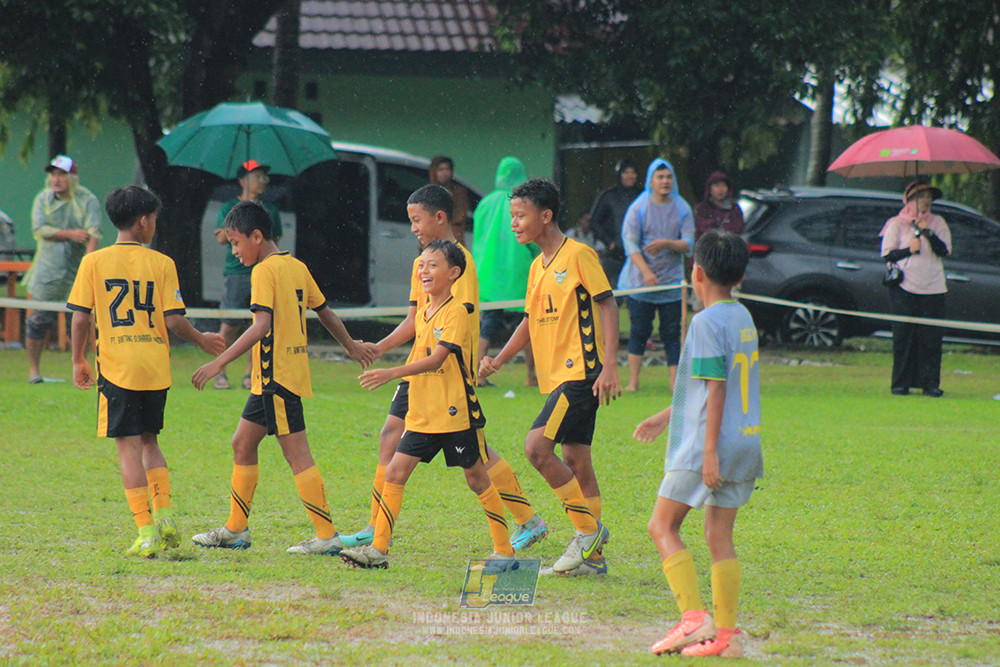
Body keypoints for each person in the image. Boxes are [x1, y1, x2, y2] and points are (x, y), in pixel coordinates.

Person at [338, 185, 547, 553]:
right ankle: (375, 529)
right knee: (392, 435)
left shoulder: (457, 264)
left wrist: (450, 366)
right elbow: (415, 320)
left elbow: (455, 324)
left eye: (417, 221)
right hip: (418, 368)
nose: (414, 229)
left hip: (445, 373)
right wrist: (379, 348)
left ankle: (526, 520)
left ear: (439, 217)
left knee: (477, 457)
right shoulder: (424, 262)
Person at [190, 201, 375, 554]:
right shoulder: (295, 266)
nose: (234, 251)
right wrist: (350, 346)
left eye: (236, 243)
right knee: (242, 443)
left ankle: (326, 536)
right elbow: (325, 311)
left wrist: (219, 363)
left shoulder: (263, 271)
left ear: (257, 237)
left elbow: (261, 326)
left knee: (298, 456)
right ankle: (236, 529)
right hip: (272, 380)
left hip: (277, 379)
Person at [67, 186, 226, 557]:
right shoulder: (162, 263)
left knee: (128, 449)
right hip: (155, 365)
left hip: (118, 368)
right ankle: (166, 514)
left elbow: (79, 317)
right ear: (143, 221)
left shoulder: (94, 262)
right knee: (151, 441)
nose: (154, 225)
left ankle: (146, 530)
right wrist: (202, 340)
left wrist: (78, 359)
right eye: (153, 218)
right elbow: (174, 321)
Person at [340, 241, 517, 569]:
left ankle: (504, 552)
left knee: (477, 479)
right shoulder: (424, 312)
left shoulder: (457, 312)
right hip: (423, 412)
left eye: (433, 265)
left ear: (453, 273)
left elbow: (437, 360)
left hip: (455, 413)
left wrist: (393, 371)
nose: (423, 271)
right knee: (395, 471)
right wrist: (379, 350)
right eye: (422, 265)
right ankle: (378, 550)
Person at [480, 178, 622, 576]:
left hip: (581, 374)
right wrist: (498, 359)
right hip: (559, 376)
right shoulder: (536, 266)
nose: (514, 224)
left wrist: (610, 365)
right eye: (512, 216)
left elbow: (608, 306)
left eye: (520, 216)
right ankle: (592, 561)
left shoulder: (579, 255)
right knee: (577, 460)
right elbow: (529, 321)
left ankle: (587, 532)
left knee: (536, 449)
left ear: (545, 216)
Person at [634, 230, 761, 657]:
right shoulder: (742, 316)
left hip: (710, 444)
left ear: (697, 272)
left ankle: (692, 618)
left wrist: (708, 452)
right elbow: (708, 386)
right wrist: (665, 414)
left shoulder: (706, 322)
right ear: (740, 275)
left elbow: (717, 388)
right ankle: (724, 637)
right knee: (718, 536)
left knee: (662, 526)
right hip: (745, 441)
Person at [24, 155, 103, 384]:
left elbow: (94, 233)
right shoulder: (43, 199)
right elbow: (39, 229)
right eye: (53, 174)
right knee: (38, 320)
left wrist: (88, 267)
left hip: (76, 271)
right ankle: (34, 371)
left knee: (79, 321)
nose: (56, 179)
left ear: (72, 177)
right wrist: (69, 234)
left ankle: (81, 368)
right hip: (47, 271)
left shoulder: (87, 200)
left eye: (62, 174)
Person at [619, 159, 694, 391]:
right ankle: (633, 382)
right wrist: (646, 272)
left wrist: (667, 243)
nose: (665, 181)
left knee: (672, 333)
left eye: (669, 177)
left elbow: (688, 244)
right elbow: (630, 244)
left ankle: (674, 385)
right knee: (639, 332)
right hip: (641, 284)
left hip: (672, 283)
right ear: (651, 181)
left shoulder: (682, 208)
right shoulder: (638, 208)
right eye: (660, 177)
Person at [213, 160, 283, 390]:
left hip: (263, 274)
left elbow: (275, 241)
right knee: (230, 325)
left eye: (264, 177)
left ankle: (251, 373)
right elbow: (222, 238)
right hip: (237, 274)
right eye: (257, 176)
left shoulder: (270, 210)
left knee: (260, 323)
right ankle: (219, 371)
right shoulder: (229, 207)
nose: (262, 181)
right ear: (243, 181)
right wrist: (240, 219)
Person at [471, 156, 538, 387]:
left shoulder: (486, 203)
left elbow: (478, 238)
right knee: (528, 324)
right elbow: (532, 238)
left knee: (487, 325)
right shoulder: (522, 203)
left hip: (488, 273)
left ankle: (477, 374)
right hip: (518, 272)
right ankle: (532, 376)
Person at [880, 181, 951, 398]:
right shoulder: (897, 224)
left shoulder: (937, 222)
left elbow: (944, 251)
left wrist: (927, 232)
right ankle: (900, 383)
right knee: (904, 336)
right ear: (909, 200)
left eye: (929, 196)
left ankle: (930, 383)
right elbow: (887, 254)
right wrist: (908, 250)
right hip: (905, 286)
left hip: (933, 287)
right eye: (921, 196)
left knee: (930, 337)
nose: (926, 201)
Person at [589, 158, 643, 285]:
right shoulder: (609, 196)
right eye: (626, 172)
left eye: (633, 172)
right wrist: (609, 242)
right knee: (615, 294)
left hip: (639, 253)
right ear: (619, 175)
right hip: (615, 255)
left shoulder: (643, 195)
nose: (630, 176)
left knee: (637, 294)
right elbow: (594, 222)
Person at [429, 155, 471, 247]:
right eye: (440, 169)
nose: (444, 173)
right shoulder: (428, 192)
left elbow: (460, 216)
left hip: (454, 241)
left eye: (447, 169)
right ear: (434, 172)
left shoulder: (459, 192)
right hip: (431, 242)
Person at [693, 171, 744, 240]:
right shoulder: (702, 209)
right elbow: (702, 229)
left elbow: (738, 229)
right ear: (710, 189)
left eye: (723, 185)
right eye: (717, 186)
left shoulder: (734, 209)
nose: (720, 189)